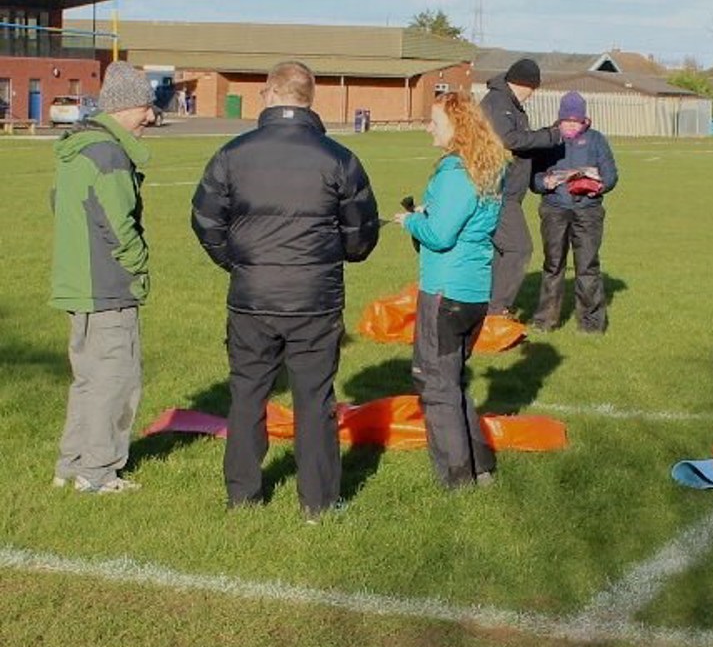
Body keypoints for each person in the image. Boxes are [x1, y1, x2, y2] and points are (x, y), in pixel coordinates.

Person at [191, 61, 380, 520]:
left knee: (248, 393)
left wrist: (240, 263)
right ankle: (316, 502)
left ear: (271, 94)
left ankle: (243, 495)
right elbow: (362, 232)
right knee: (314, 399)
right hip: (311, 298)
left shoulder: (233, 154)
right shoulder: (338, 158)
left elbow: (206, 220)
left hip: (256, 297)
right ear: (308, 98)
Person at [51, 61, 157, 493]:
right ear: (126, 106)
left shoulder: (78, 148)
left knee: (89, 379)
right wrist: (139, 267)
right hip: (108, 286)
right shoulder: (110, 153)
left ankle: (71, 465)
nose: (151, 117)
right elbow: (119, 226)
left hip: (77, 283)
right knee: (117, 380)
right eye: (146, 107)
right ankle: (98, 474)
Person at [395, 92, 507, 488]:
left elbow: (441, 235)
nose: (429, 127)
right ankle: (481, 465)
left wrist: (410, 222)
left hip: (445, 291)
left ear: (457, 125)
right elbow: (466, 219)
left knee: (435, 383)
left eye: (435, 121)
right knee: (452, 379)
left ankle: (457, 478)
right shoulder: (489, 168)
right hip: (475, 291)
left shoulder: (455, 171)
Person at [529, 91, 618, 333]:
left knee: (587, 266)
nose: (570, 125)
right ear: (559, 119)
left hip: (588, 211)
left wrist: (598, 184)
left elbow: (611, 175)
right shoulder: (548, 139)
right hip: (554, 210)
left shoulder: (597, 140)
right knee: (553, 265)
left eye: (575, 121)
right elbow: (533, 179)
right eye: (566, 120)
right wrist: (542, 183)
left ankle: (590, 324)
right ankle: (545, 321)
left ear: (584, 120)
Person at [479, 58, 562, 317]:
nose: (532, 96)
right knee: (519, 247)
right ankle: (496, 309)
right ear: (524, 85)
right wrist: (550, 136)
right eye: (532, 89)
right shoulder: (498, 103)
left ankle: (486, 307)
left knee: (500, 251)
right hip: (498, 191)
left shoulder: (506, 103)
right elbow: (509, 139)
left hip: (504, 191)